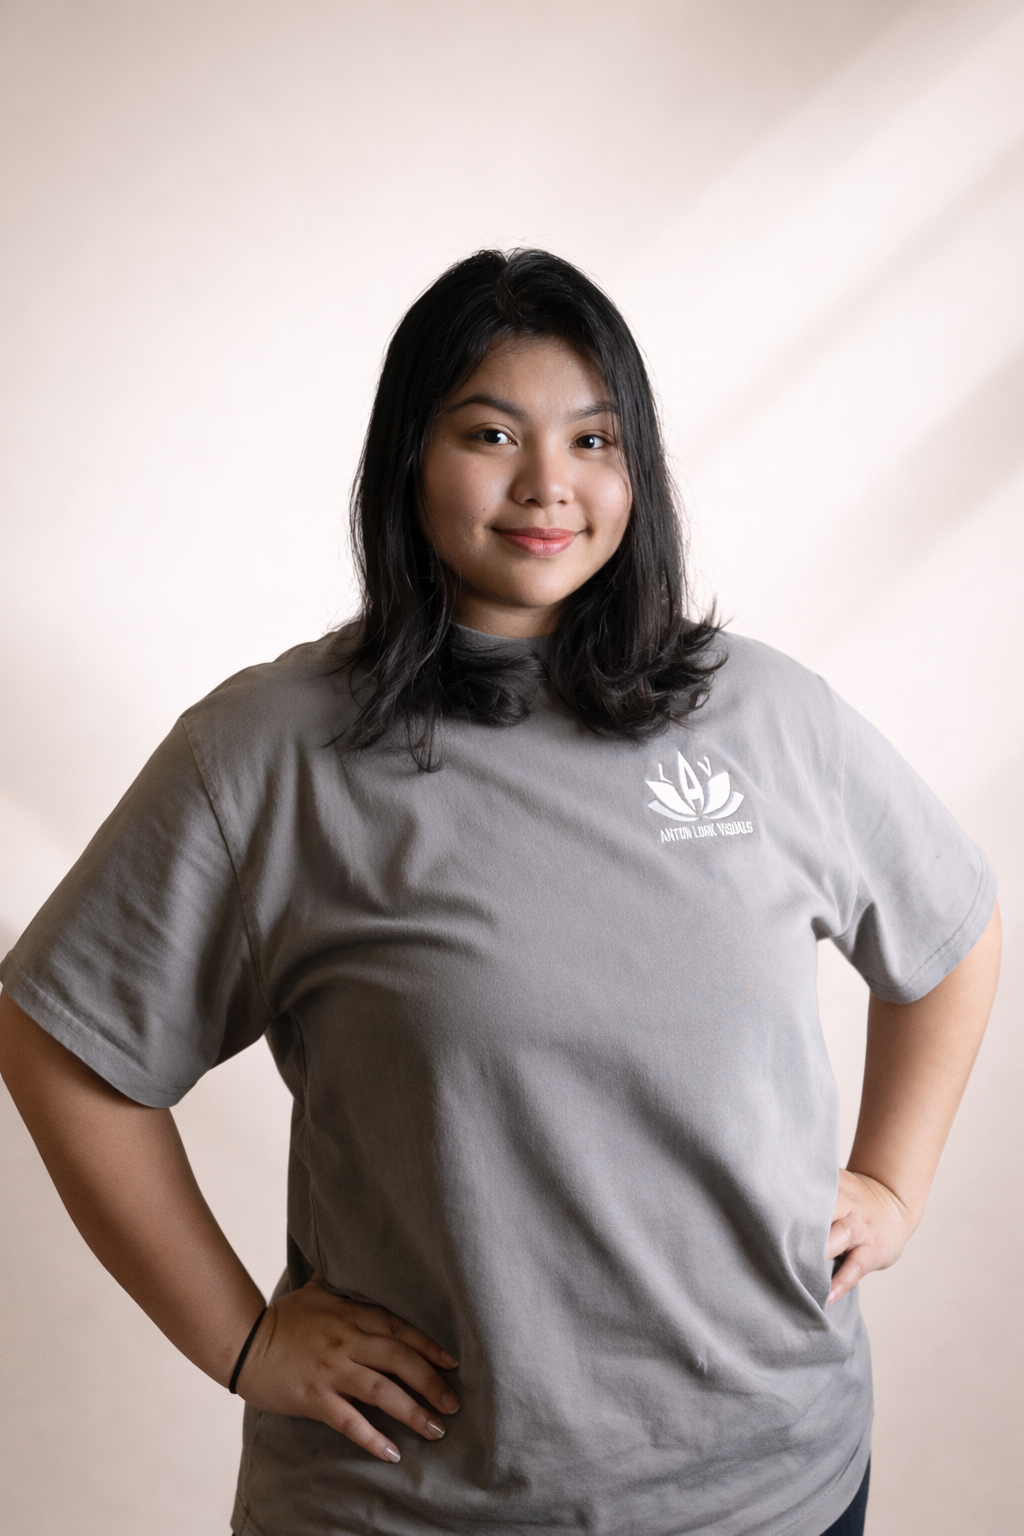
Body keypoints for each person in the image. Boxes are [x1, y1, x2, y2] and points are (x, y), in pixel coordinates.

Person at [0, 249, 1000, 1536]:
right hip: (411, 1505)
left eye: (593, 439)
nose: (547, 485)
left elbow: (950, 929)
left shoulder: (764, 715)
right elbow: (58, 1039)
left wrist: (892, 1183)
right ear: (408, 458)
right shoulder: (269, 754)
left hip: (778, 1487)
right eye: (489, 434)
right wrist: (243, 1340)